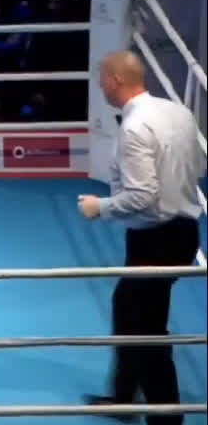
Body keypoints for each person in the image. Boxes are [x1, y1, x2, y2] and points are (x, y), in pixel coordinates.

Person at [78, 50, 205, 425]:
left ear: (116, 80)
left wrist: (99, 207)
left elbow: (142, 196)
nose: (100, 86)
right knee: (130, 309)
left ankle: (166, 418)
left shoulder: (134, 127)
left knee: (145, 330)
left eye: (102, 79)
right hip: (182, 231)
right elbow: (196, 165)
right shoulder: (179, 113)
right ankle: (123, 397)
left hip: (157, 236)